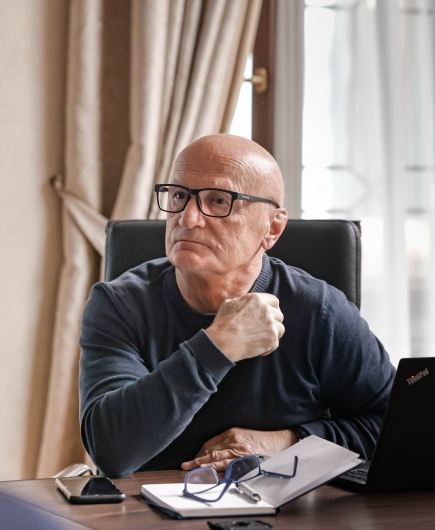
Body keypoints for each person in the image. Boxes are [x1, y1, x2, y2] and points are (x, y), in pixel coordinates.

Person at [79, 134, 396, 478]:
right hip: (147, 502)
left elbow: (393, 427)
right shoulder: (119, 304)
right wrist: (218, 345)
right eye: (179, 195)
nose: (188, 218)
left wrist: (289, 442)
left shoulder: (320, 310)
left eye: (218, 200)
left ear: (272, 228)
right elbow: (111, 451)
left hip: (285, 502)